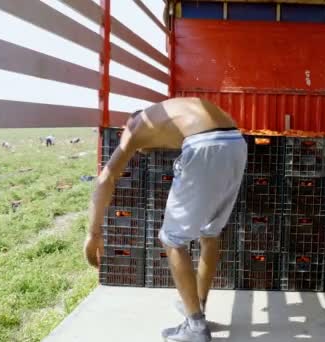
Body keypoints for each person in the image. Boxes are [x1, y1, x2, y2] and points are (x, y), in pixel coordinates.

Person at [83, 97, 247, 342]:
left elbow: (105, 179)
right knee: (210, 233)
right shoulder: (169, 113)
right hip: (235, 142)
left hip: (204, 145)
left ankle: (195, 326)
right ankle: (197, 306)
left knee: (171, 240)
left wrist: (93, 234)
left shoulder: (135, 126)